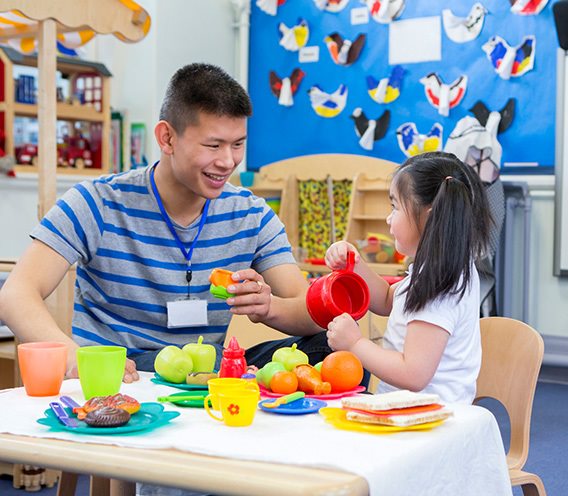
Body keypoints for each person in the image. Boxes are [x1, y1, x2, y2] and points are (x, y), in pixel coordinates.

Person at [0, 63, 329, 382]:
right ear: (167, 138)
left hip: (206, 366)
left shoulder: (251, 215)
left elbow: (310, 311)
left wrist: (270, 307)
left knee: (334, 346)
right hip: (124, 367)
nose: (227, 161)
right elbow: (15, 294)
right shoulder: (97, 202)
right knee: (176, 364)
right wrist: (72, 357)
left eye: (238, 144)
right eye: (213, 145)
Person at [323, 152, 492, 404]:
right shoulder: (438, 268)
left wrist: (355, 343)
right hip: (411, 410)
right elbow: (389, 299)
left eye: (395, 207)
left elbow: (413, 374)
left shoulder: (440, 283)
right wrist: (356, 266)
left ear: (429, 217)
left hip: (427, 417)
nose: (388, 219)